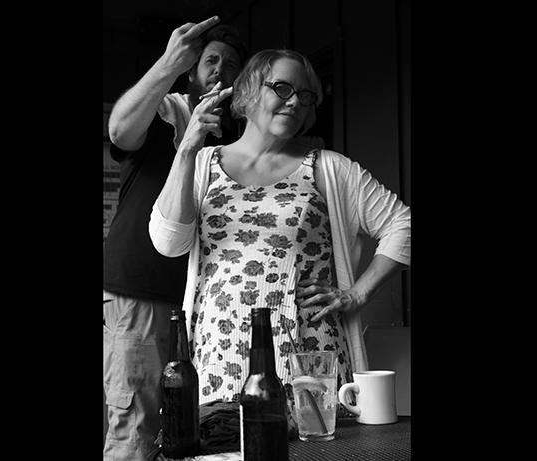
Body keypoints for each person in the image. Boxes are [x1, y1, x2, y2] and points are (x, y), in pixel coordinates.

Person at [148, 49, 410, 421]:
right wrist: (188, 148)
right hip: (220, 352)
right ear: (249, 91)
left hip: (308, 354)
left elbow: (404, 225)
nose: (295, 102)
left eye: (305, 96)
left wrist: (357, 293)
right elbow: (168, 242)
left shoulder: (329, 168)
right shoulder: (205, 163)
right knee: (224, 446)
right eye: (283, 88)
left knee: (314, 449)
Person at [103, 16, 247, 461]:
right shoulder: (169, 109)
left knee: (199, 430)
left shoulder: (246, 136)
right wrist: (168, 61)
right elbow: (119, 131)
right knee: (137, 429)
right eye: (210, 60)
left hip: (206, 306)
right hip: (144, 290)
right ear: (192, 71)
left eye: (230, 64)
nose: (219, 69)